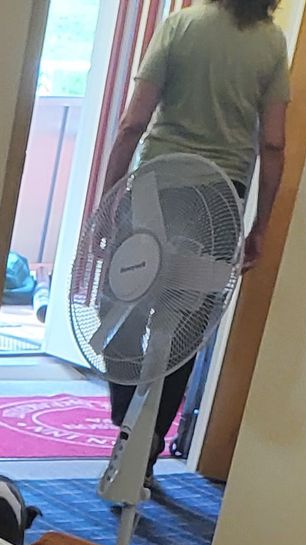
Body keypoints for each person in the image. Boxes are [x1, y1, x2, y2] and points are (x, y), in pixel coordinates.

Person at [98, 0, 290, 488]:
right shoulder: (271, 42)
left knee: (121, 309)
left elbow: (132, 123)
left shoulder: (180, 26)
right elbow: (272, 144)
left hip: (154, 190)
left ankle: (126, 430)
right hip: (220, 200)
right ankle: (147, 446)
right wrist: (261, 226)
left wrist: (107, 200)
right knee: (185, 328)